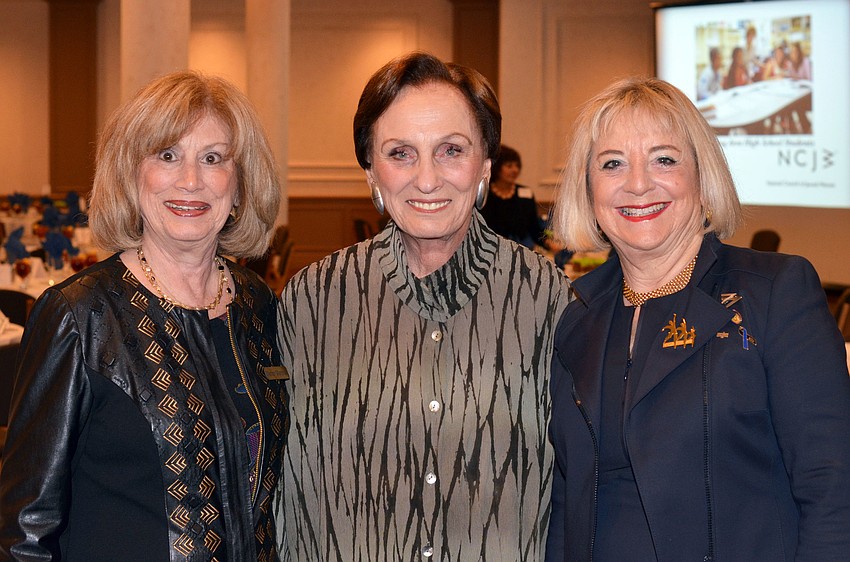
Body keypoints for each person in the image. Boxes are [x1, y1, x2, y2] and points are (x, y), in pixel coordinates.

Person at [276, 51, 571, 561]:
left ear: (485, 163)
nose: (428, 179)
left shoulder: (549, 298)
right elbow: (289, 492)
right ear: (370, 169)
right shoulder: (313, 301)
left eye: (451, 150)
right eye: (401, 153)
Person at [545, 76, 850, 561]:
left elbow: (833, 486)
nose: (638, 183)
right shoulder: (574, 314)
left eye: (664, 159)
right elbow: (565, 502)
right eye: (612, 164)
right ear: (589, 190)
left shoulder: (773, 292)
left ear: (702, 177)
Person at [0, 71, 289, 561]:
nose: (191, 180)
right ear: (131, 177)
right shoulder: (81, 314)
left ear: (239, 186)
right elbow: (27, 529)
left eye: (213, 158)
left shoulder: (256, 304)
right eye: (167, 155)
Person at [480, 144, 554, 250]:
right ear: (497, 167)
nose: (515, 170)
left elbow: (534, 228)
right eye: (509, 166)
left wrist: (550, 243)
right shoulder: (484, 193)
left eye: (517, 165)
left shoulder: (526, 194)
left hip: (521, 253)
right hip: (490, 251)